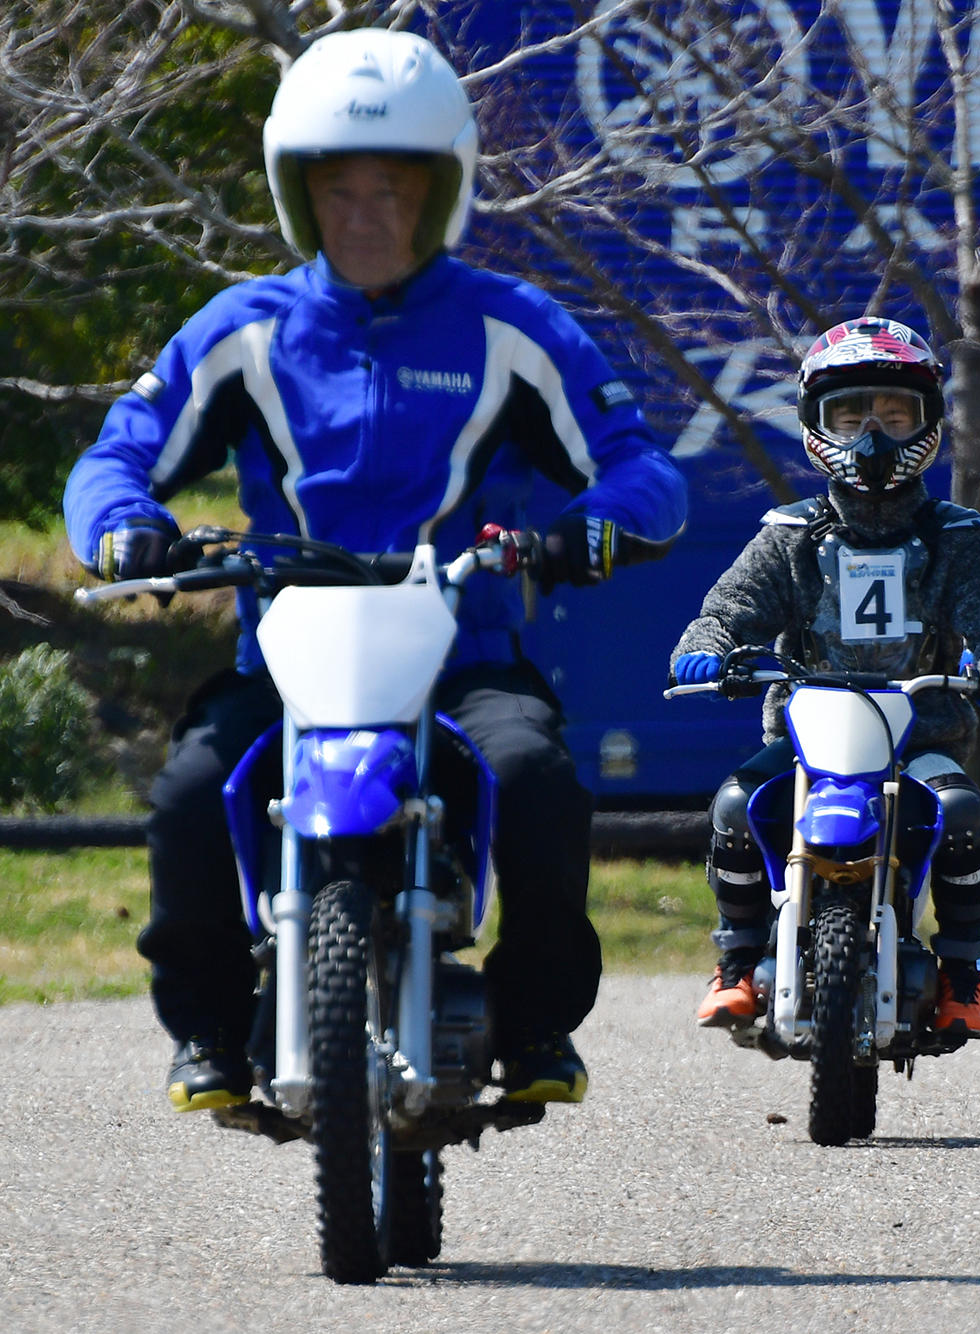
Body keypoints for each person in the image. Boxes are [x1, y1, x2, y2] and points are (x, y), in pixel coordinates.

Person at [64, 29, 688, 1111]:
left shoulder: (513, 326)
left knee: (536, 775)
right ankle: (208, 1032)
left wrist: (594, 525)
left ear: (440, 192)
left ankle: (534, 1019)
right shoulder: (243, 330)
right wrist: (124, 525)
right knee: (184, 795)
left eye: (390, 190)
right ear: (297, 196)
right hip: (286, 646)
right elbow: (118, 454)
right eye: (338, 191)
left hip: (464, 648)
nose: (364, 214)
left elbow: (639, 466)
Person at [670, 317, 980, 1039]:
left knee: (965, 815)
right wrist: (707, 645)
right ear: (817, 423)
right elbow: (728, 609)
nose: (873, 435)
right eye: (851, 415)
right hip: (808, 739)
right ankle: (737, 962)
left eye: (895, 415)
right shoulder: (789, 533)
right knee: (735, 806)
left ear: (929, 421)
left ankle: (963, 975)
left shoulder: (957, 536)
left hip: (920, 733)